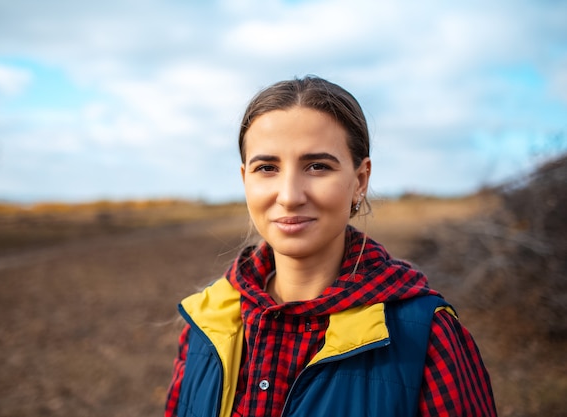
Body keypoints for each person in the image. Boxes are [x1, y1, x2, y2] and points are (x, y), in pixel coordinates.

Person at [165, 76, 497, 417]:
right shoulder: (206, 324)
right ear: (245, 180)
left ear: (360, 180)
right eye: (267, 168)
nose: (290, 196)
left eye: (317, 166)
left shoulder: (427, 337)